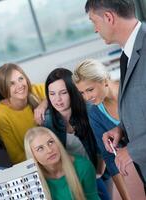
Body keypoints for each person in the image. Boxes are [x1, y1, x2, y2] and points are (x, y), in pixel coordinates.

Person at [85, 0, 146, 189]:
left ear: (109, 17)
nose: (95, 29)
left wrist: (132, 150)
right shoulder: (126, 55)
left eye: (94, 21)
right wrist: (122, 129)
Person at [43, 67, 109, 199]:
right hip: (70, 178)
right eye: (52, 94)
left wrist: (100, 168)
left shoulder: (90, 110)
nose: (58, 99)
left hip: (97, 172)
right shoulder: (48, 120)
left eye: (63, 92)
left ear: (73, 92)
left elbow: (103, 141)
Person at [73, 59, 132, 199]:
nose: (87, 97)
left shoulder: (131, 92)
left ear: (105, 80)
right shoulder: (95, 113)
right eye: (82, 93)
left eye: (90, 90)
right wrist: (126, 198)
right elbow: (109, 157)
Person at [24, 126, 100, 200]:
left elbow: (92, 197)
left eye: (50, 142)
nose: (49, 150)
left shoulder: (83, 166)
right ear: (33, 157)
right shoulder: (31, 181)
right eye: (40, 148)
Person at [0, 63, 46, 164]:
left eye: (21, 79)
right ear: (3, 88)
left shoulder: (37, 90)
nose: (20, 86)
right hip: (34, 164)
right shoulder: (0, 115)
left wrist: (43, 104)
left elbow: (62, 88)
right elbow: (17, 157)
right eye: (12, 83)